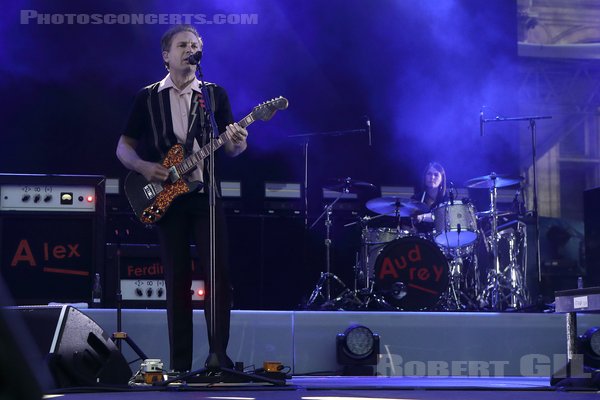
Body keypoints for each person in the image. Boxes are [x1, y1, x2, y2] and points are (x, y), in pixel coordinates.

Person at [116, 24, 248, 372]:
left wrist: (238, 140)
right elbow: (123, 147)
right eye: (182, 45)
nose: (190, 50)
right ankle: (179, 365)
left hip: (205, 196)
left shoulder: (214, 94)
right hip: (167, 197)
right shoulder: (147, 97)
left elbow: (232, 149)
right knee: (176, 280)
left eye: (195, 45)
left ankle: (218, 356)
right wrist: (144, 167)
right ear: (166, 56)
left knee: (217, 276)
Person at [412, 161, 448, 232]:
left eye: (436, 175)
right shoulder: (415, 199)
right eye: (429, 174)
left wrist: (423, 217)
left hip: (441, 239)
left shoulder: (446, 199)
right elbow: (406, 222)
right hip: (419, 240)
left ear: (442, 180)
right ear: (425, 177)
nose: (432, 177)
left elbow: (443, 216)